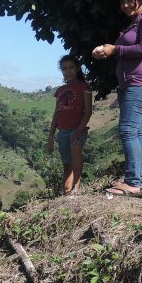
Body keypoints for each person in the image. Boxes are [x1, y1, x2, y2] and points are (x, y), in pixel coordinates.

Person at [92, 0, 142, 197]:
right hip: (129, 83)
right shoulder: (135, 23)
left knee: (128, 130)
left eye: (130, 0)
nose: (125, 5)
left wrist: (114, 49)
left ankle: (133, 183)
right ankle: (136, 179)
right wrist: (107, 50)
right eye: (122, 1)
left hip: (140, 82)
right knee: (136, 131)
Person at [47, 55, 93, 195]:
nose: (68, 71)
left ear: (77, 68)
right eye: (64, 69)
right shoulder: (60, 90)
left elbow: (88, 111)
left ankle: (76, 189)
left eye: (71, 68)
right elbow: (56, 113)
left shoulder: (84, 86)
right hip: (62, 131)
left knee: (76, 158)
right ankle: (67, 192)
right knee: (67, 163)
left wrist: (78, 130)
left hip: (76, 129)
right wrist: (51, 136)